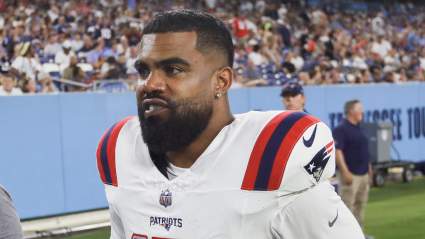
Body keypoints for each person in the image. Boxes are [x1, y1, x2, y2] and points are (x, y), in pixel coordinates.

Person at [97, 10, 363, 239]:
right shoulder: (119, 150)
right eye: (144, 71)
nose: (150, 84)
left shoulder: (269, 157)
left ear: (221, 82)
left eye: (174, 69)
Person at [333, 100, 372, 231]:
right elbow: (338, 151)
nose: (362, 112)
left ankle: (359, 234)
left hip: (363, 173)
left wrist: (369, 169)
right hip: (351, 174)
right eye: (359, 109)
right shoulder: (341, 129)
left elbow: (364, 150)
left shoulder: (360, 127)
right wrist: (345, 172)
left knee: (360, 206)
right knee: (347, 208)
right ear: (351, 111)